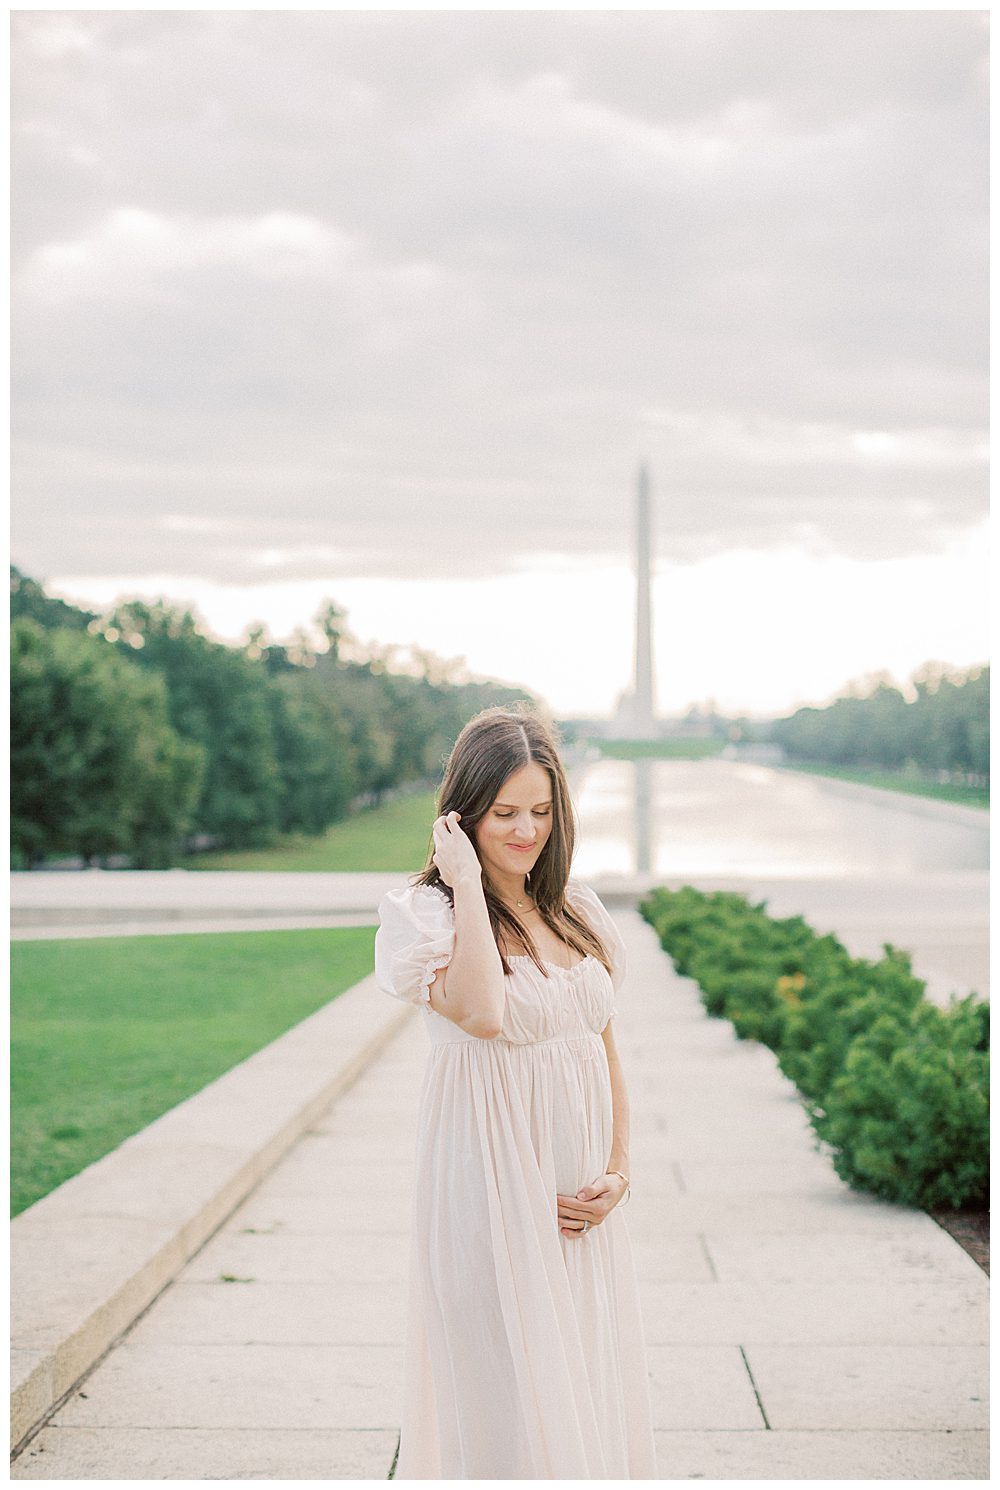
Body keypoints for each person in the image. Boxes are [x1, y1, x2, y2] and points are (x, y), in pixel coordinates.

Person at [374, 704, 658, 1479]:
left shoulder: (577, 910)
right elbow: (484, 1012)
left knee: (579, 1391)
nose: (525, 831)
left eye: (539, 811)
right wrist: (466, 882)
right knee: (504, 1402)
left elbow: (604, 1050)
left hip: (579, 1208)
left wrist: (621, 1171)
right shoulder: (426, 918)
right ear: (462, 813)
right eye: (504, 813)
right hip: (490, 1198)